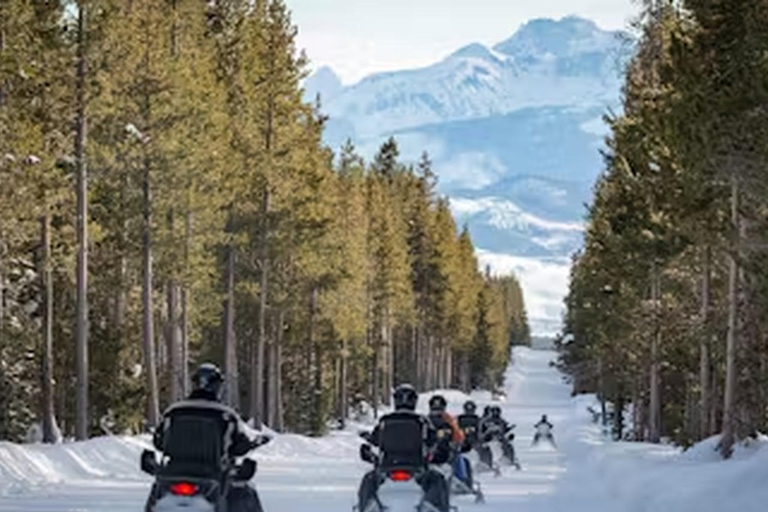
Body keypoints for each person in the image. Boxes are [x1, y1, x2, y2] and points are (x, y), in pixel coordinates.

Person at [150, 363, 269, 512]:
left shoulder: (173, 412)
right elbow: (239, 446)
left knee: (156, 493)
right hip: (214, 475)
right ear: (218, 386)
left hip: (174, 473)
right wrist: (251, 445)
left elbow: (159, 442)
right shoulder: (225, 415)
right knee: (245, 493)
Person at [357, 384, 450, 512]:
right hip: (416, 468)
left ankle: (367, 507)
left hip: (387, 468)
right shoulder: (422, 421)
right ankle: (435, 507)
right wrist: (440, 449)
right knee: (438, 480)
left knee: (368, 480)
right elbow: (433, 440)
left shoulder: (386, 421)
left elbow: (375, 440)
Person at [427, 395, 473, 490]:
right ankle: (461, 480)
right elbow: (459, 437)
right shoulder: (449, 420)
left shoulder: (425, 420)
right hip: (443, 454)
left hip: (430, 455)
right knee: (458, 456)